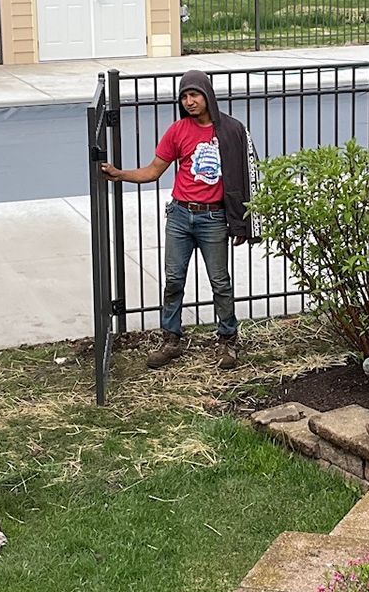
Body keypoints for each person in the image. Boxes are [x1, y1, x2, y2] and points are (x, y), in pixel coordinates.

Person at [99, 71, 256, 370]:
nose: (189, 101)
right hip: (180, 216)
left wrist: (242, 222)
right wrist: (120, 174)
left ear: (207, 94)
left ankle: (227, 340)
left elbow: (248, 177)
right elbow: (153, 171)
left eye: (194, 94)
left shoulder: (232, 130)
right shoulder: (177, 131)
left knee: (220, 282)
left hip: (213, 217)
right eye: (184, 96)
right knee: (173, 280)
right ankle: (171, 340)